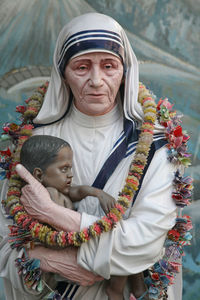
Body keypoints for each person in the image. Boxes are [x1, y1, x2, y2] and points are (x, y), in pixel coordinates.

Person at [0, 12, 179, 300]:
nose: (96, 80)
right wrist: (45, 259)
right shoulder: (32, 141)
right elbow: (6, 239)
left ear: (125, 72)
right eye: (82, 67)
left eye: (109, 66)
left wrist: (54, 215)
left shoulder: (154, 143)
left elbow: (146, 240)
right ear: (63, 73)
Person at [20, 134, 149, 300]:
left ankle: (136, 285)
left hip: (79, 238)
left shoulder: (60, 189)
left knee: (122, 238)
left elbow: (78, 191)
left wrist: (98, 194)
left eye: (70, 168)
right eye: (64, 169)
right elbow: (55, 230)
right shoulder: (48, 195)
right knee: (120, 245)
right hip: (67, 247)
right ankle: (117, 290)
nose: (70, 175)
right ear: (39, 175)